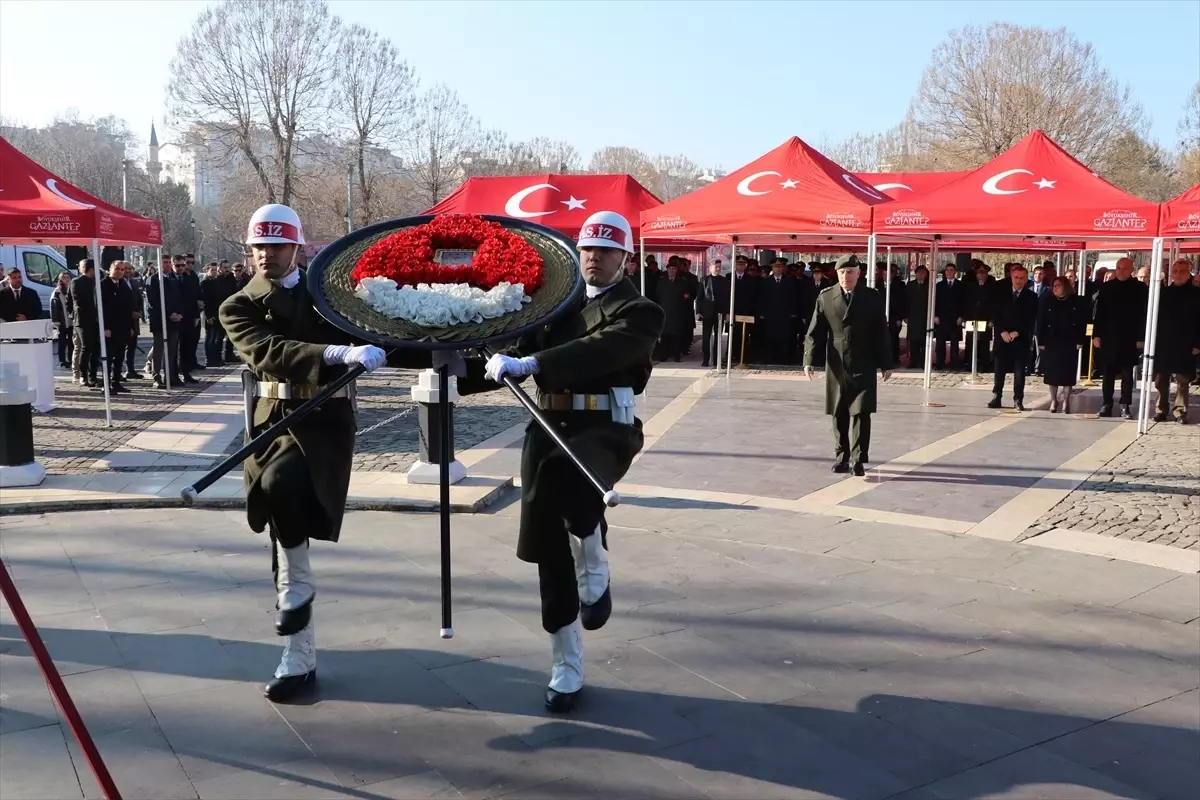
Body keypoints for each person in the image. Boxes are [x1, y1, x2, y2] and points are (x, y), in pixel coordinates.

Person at [462, 210, 663, 713]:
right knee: (549, 551)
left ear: (625, 259)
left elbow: (601, 350)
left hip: (603, 430)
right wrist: (451, 361)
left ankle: (593, 555)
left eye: (607, 251)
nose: (595, 258)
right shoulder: (555, 304)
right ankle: (566, 662)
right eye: (588, 249)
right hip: (545, 427)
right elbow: (510, 347)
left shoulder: (640, 311)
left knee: (572, 484)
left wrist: (535, 363)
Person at [220, 204, 389, 703]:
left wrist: (455, 352)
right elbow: (268, 352)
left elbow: (379, 331)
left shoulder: (328, 298)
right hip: (273, 423)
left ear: (298, 248)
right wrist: (335, 354)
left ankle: (296, 596)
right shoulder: (237, 304)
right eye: (258, 247)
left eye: (276, 245)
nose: (266, 255)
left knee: (283, 488)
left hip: (324, 425)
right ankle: (299, 655)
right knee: (279, 522)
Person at [803, 255, 894, 477]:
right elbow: (814, 332)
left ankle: (859, 458)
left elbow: (881, 332)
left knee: (861, 411)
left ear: (858, 273)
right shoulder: (826, 297)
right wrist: (809, 360)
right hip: (836, 362)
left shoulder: (871, 297)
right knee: (839, 411)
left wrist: (886, 363)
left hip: (863, 359)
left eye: (850, 272)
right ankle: (841, 456)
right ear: (837, 274)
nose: (846, 276)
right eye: (842, 273)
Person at [1092, 257, 1148, 418]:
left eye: (1124, 268)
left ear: (1132, 270)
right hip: (1109, 337)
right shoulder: (1107, 288)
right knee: (1108, 373)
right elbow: (1098, 313)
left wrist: (1141, 337)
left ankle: (1125, 404)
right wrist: (1096, 334)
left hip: (1129, 338)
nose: (1120, 271)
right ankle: (1106, 403)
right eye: (1118, 268)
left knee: (1127, 373)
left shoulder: (1139, 288)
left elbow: (1144, 314)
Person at [1151, 259, 1200, 423]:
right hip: (1163, 342)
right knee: (1160, 379)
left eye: (1182, 271)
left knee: (1182, 380)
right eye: (1175, 271)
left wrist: (1197, 344)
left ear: (1188, 273)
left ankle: (1180, 411)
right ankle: (1161, 408)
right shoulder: (1163, 292)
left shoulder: (1196, 294)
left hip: (1186, 343)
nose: (1178, 274)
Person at [987, 265, 1039, 411]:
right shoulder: (1001, 294)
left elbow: (1031, 319)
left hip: (1020, 339)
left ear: (1026, 279)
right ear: (1011, 277)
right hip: (1002, 338)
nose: (1018, 280)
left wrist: (1017, 332)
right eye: (1016, 277)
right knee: (999, 369)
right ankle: (997, 396)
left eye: (1022, 278)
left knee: (1019, 371)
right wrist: (1002, 331)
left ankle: (1018, 399)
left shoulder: (1031, 297)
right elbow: (995, 315)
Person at [1037, 276, 1089, 413]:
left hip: (1069, 341)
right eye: (1053, 286)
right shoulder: (1047, 301)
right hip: (1051, 341)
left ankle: (1066, 401)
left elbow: (1082, 323)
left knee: (1067, 373)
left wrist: (1080, 340)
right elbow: (1041, 322)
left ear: (1065, 287)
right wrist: (1041, 341)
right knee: (1051, 373)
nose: (1055, 288)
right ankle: (1054, 400)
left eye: (1058, 286)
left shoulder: (1077, 302)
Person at [99, 261, 135, 395]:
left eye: (122, 269)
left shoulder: (124, 285)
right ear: (110, 269)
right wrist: (105, 327)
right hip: (109, 329)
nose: (120, 271)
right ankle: (106, 384)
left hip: (123, 328)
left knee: (119, 357)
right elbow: (99, 308)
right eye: (117, 269)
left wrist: (131, 326)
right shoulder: (103, 285)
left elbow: (128, 307)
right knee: (108, 358)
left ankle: (116, 382)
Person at [70, 260, 101, 388]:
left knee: (96, 349)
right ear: (90, 269)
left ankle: (93, 376)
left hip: (96, 320)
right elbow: (78, 301)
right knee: (85, 347)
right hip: (83, 320)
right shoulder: (76, 282)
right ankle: (83, 375)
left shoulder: (96, 282)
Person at [696, 260, 728, 368]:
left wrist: (727, 313)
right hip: (707, 313)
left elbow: (727, 298)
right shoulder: (704, 280)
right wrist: (698, 312)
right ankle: (705, 359)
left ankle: (716, 360)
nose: (718, 269)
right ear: (710, 268)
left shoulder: (724, 281)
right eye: (715, 266)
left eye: (719, 267)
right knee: (706, 338)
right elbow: (699, 297)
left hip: (720, 313)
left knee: (718, 338)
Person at [933, 264, 964, 370]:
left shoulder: (960, 285)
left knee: (954, 343)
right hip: (942, 318)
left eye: (951, 270)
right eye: (947, 270)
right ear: (945, 272)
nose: (949, 272)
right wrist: (935, 315)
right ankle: (939, 363)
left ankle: (954, 363)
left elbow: (964, 302)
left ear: (955, 272)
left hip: (955, 319)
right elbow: (935, 302)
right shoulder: (939, 285)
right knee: (940, 343)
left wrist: (961, 316)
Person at [905, 265, 930, 368]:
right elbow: (905, 301)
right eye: (919, 272)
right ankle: (913, 361)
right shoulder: (910, 285)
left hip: (925, 317)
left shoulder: (929, 286)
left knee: (924, 341)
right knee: (913, 341)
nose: (921, 274)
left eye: (923, 272)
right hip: (913, 316)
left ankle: (923, 362)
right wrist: (906, 316)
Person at [51, 272, 74, 368]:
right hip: (62, 320)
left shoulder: (72, 289)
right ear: (60, 280)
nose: (67, 279)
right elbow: (54, 307)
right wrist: (56, 320)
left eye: (68, 277)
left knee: (71, 342)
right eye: (64, 278)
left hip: (71, 320)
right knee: (62, 341)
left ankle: (70, 359)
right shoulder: (57, 292)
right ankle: (62, 360)